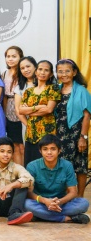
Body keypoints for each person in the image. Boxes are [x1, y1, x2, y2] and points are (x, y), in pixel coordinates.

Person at [24, 135, 89, 224]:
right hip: (41, 203)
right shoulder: (32, 166)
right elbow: (28, 193)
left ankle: (42, 216)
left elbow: (73, 192)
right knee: (26, 204)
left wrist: (59, 202)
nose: (49, 152)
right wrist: (45, 201)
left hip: (61, 203)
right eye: (45, 149)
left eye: (53, 149)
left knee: (84, 203)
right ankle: (67, 219)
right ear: (40, 151)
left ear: (59, 151)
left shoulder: (67, 165)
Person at [54, 58, 90, 196]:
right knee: (62, 164)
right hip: (60, 133)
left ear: (74, 72)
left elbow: (87, 116)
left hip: (77, 133)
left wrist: (83, 137)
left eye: (67, 71)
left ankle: (80, 196)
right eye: (60, 71)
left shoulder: (81, 90)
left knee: (80, 166)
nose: (64, 74)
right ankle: (65, 196)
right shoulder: (56, 89)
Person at [19, 60, 60, 165]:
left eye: (46, 70)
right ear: (36, 72)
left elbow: (49, 109)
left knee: (45, 162)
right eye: (40, 69)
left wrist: (30, 112)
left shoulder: (53, 88)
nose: (42, 72)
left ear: (50, 74)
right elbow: (21, 110)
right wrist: (38, 107)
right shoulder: (28, 91)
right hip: (30, 133)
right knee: (30, 163)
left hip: (46, 131)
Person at [3, 46, 25, 165]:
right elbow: (5, 96)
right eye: (8, 56)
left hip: (22, 110)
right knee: (15, 145)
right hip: (9, 112)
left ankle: (27, 173)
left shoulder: (24, 71)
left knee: (23, 146)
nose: (10, 59)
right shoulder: (4, 73)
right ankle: (19, 173)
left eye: (14, 56)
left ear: (20, 57)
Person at [14, 56, 37, 166]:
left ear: (35, 66)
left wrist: (27, 109)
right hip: (27, 125)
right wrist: (29, 125)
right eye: (22, 68)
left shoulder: (46, 83)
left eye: (28, 66)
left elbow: (48, 107)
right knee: (30, 154)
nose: (26, 70)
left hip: (47, 123)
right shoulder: (19, 87)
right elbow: (19, 110)